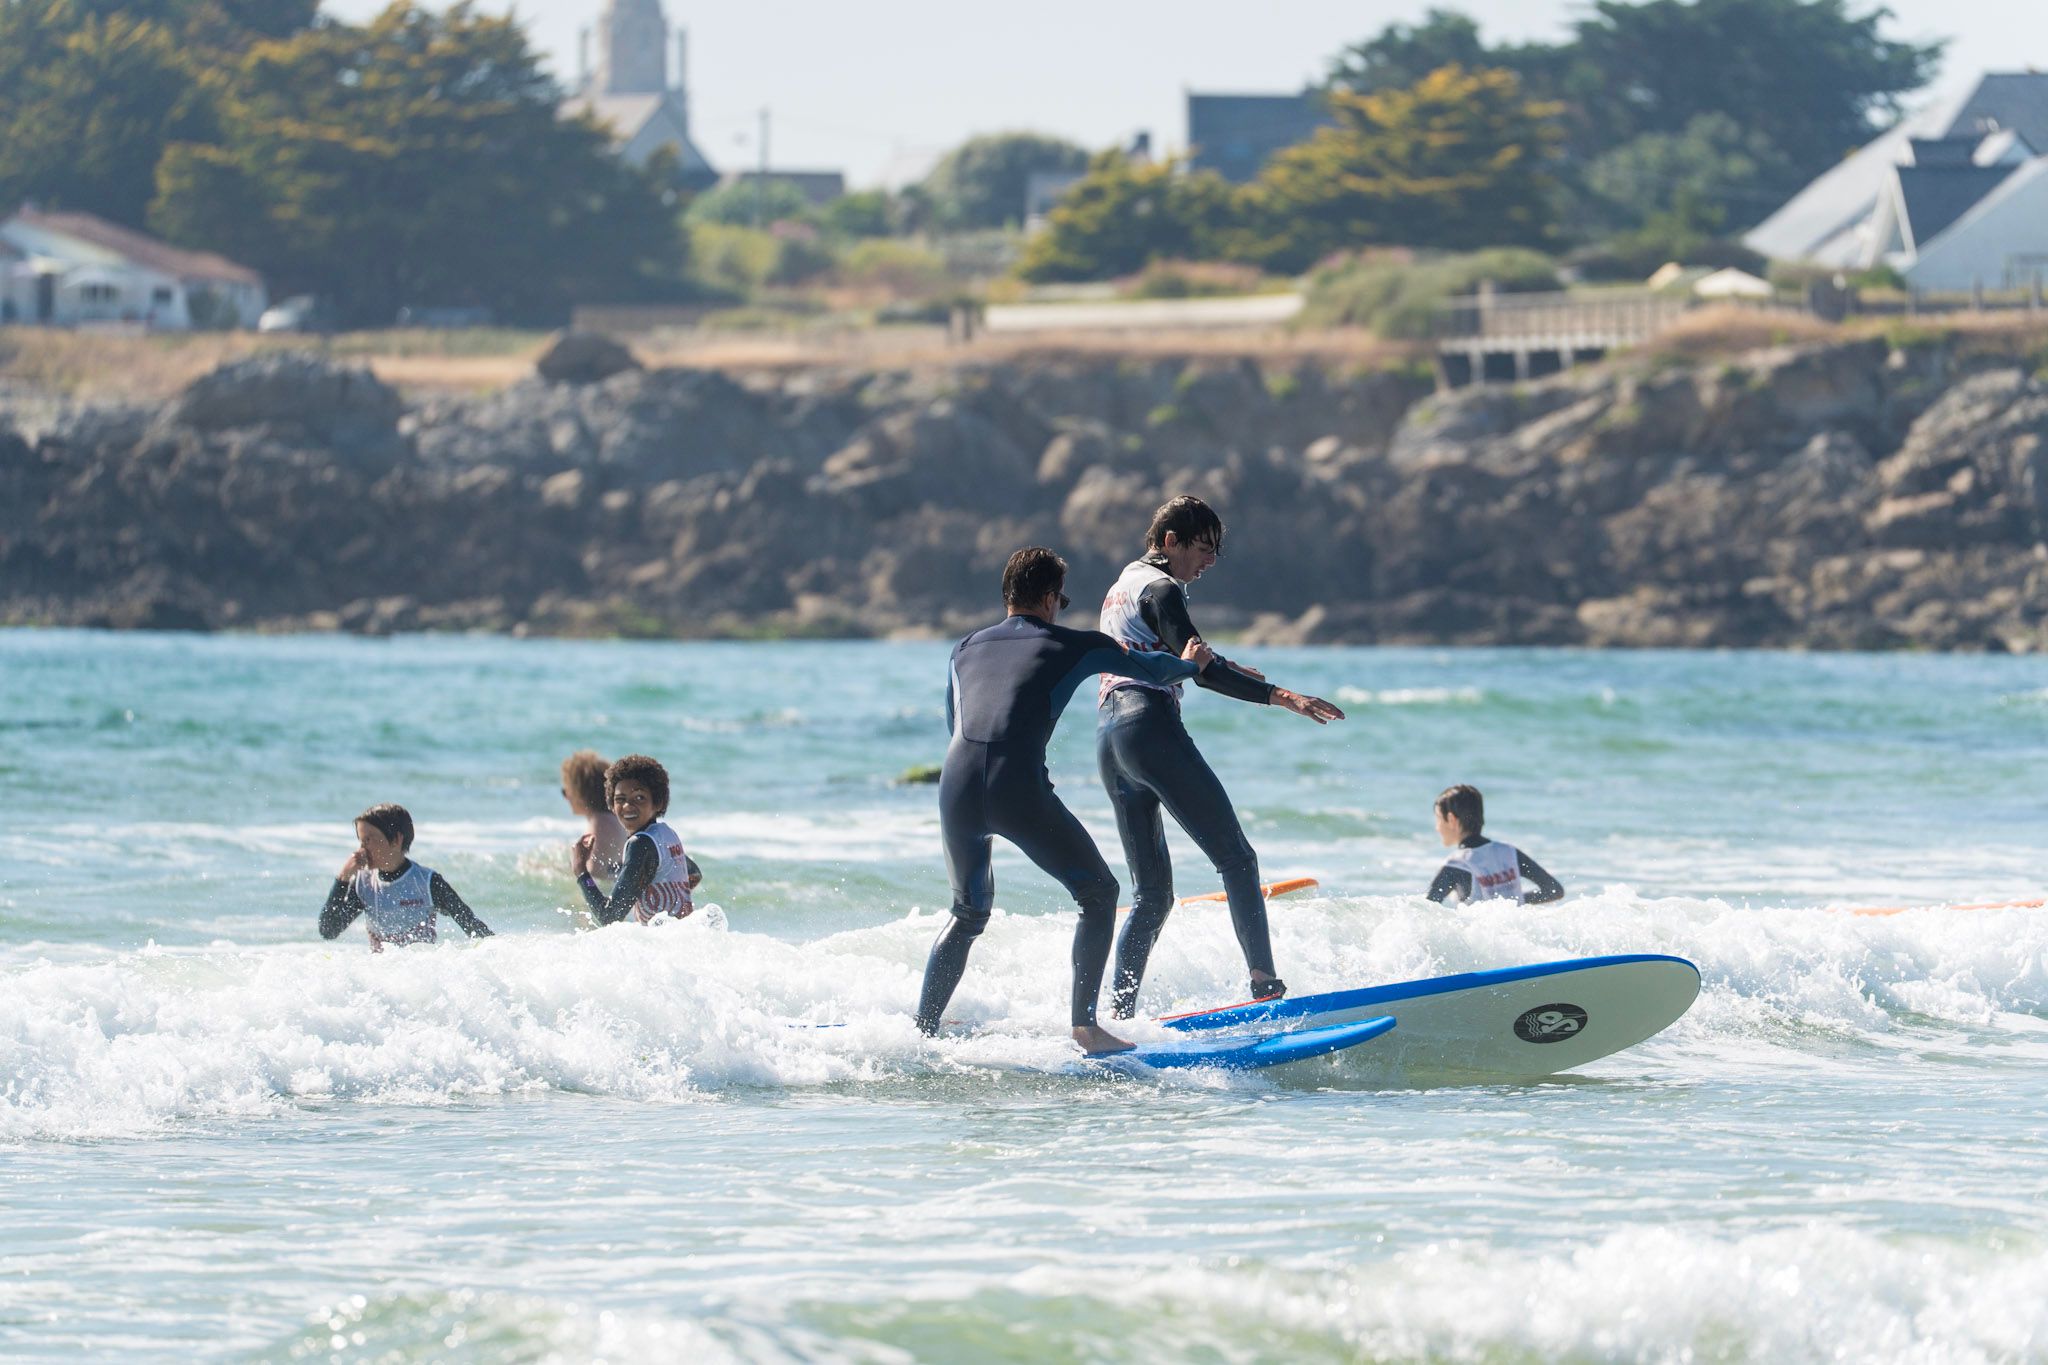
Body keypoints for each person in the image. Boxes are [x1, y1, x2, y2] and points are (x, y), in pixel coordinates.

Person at [915, 546, 1215, 1055]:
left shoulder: (964, 647)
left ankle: (921, 1032)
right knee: (1098, 893)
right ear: (1052, 598)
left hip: (956, 786)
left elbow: (956, 723)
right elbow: (1154, 671)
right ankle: (1085, 1028)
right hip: (1016, 786)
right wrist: (1191, 663)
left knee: (967, 913)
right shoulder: (1075, 645)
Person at [1096, 495, 1346, 1019]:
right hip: (1149, 727)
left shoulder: (1123, 585)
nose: (1210, 561)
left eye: (1215, 551)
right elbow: (1200, 670)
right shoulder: (1164, 587)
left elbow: (1177, 653)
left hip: (1110, 739)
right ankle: (1265, 986)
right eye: (1203, 548)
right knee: (1237, 859)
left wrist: (1225, 665)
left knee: (1152, 896)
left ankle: (1116, 1017)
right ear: (1170, 542)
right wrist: (1284, 696)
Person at [318, 803, 493, 949]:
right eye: (361, 841)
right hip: (383, 979)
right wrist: (343, 878)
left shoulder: (427, 882)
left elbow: (472, 926)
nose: (361, 849)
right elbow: (328, 930)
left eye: (368, 840)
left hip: (419, 979)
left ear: (396, 840)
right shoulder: (363, 885)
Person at [573, 754, 699, 925]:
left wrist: (581, 871)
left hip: (661, 945)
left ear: (658, 802)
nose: (627, 806)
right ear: (611, 804)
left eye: (639, 797)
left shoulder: (640, 844)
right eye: (620, 799)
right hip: (678, 939)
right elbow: (693, 874)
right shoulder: (666, 834)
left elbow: (609, 917)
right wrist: (667, 903)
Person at [1425, 784, 1565, 905]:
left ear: (1451, 819)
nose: (1437, 827)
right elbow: (1554, 891)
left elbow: (1423, 912)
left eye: (1438, 819)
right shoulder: (1509, 852)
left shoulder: (1456, 865)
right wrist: (1512, 903)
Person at [561, 750, 629, 878]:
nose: (566, 798)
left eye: (565, 791)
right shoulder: (613, 818)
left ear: (578, 794)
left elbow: (594, 875)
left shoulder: (600, 824)